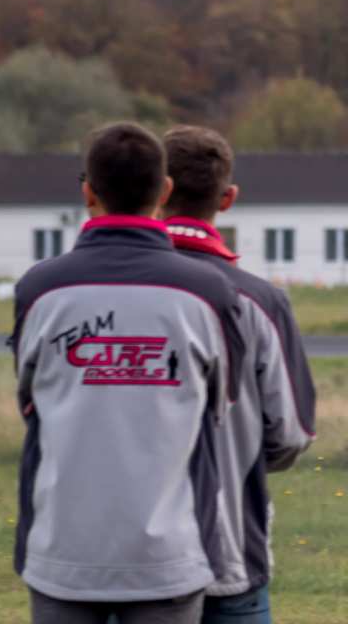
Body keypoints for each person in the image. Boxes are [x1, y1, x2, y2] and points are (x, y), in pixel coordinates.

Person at [12, 122, 244, 624]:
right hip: (170, 556)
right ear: (164, 191)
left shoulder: (39, 289)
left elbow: (29, 401)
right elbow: (221, 404)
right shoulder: (209, 292)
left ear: (88, 192)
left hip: (62, 552)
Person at [162, 125, 316, 624]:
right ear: (226, 198)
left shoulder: (106, 291)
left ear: (159, 191)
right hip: (228, 551)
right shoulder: (262, 301)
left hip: (127, 562)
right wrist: (235, 457)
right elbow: (291, 433)